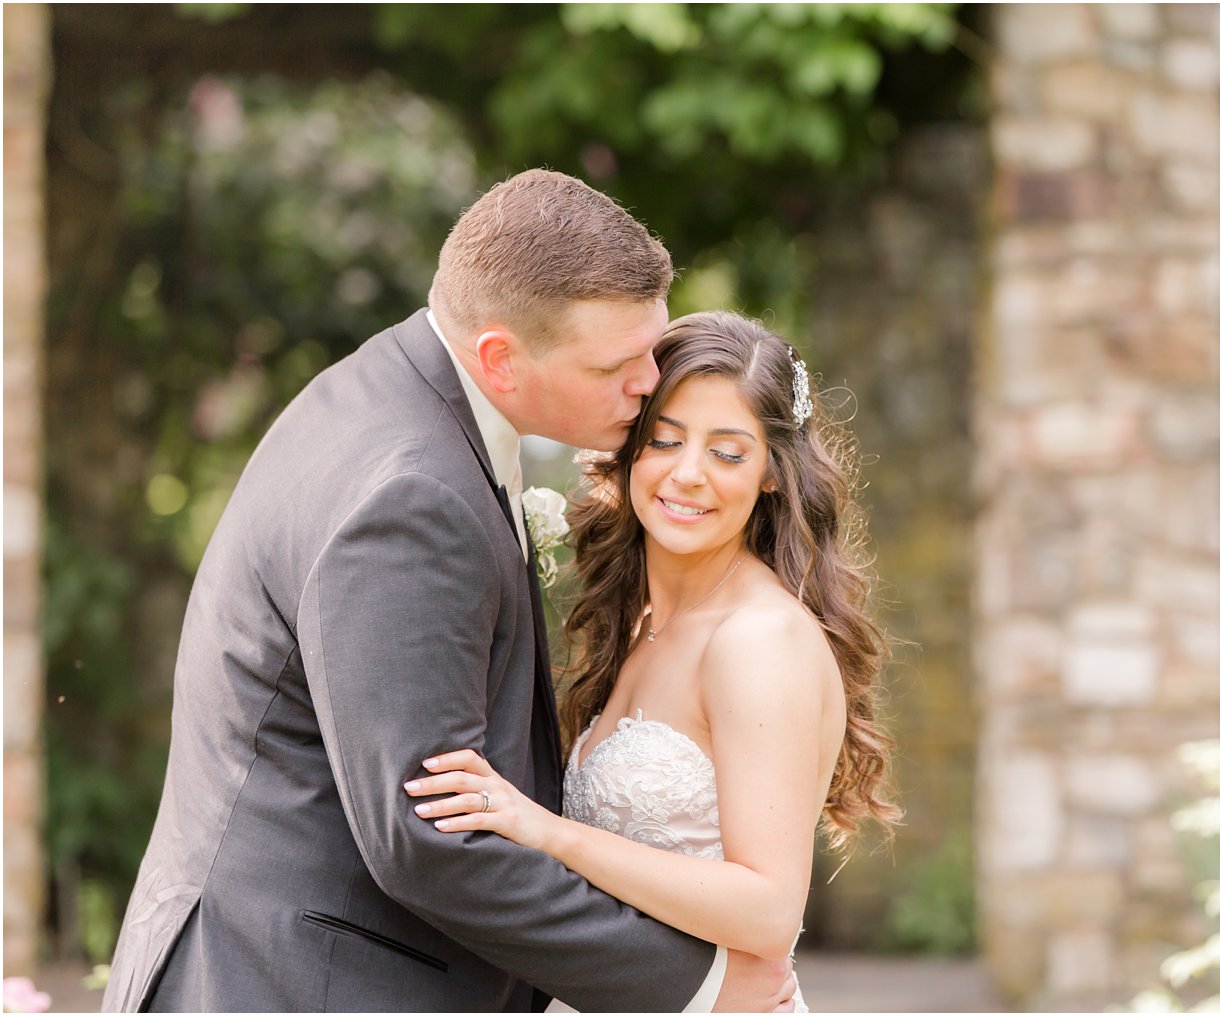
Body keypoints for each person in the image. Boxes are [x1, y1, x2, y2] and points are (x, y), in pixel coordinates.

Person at [103, 171, 794, 1012]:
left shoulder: (383, 391)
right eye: (617, 364)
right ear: (501, 357)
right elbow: (430, 841)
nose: (651, 383)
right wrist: (699, 985)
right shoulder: (414, 497)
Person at [401, 311, 903, 1011]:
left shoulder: (759, 640)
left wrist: (546, 832)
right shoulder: (642, 620)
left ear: (771, 476)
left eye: (728, 453)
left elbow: (766, 909)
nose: (687, 474)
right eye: (664, 440)